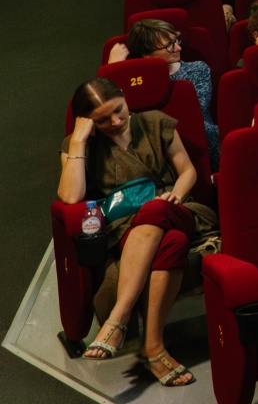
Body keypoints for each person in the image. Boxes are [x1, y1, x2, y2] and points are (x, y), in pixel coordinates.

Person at [58, 77, 217, 386]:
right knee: (173, 242)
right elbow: (70, 197)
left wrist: (175, 196)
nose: (115, 122)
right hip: (124, 228)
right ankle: (153, 347)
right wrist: (78, 142)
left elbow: (188, 172)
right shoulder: (79, 143)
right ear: (88, 121)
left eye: (119, 111)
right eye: (102, 120)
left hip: (177, 209)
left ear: (124, 97)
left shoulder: (156, 122)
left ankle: (118, 318)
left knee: (157, 211)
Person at [107, 20, 219, 167]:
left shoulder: (197, 69)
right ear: (147, 55)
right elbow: (115, 113)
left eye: (176, 41)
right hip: (149, 142)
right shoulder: (134, 82)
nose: (178, 47)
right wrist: (112, 70)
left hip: (196, 135)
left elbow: (195, 111)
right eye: (169, 46)